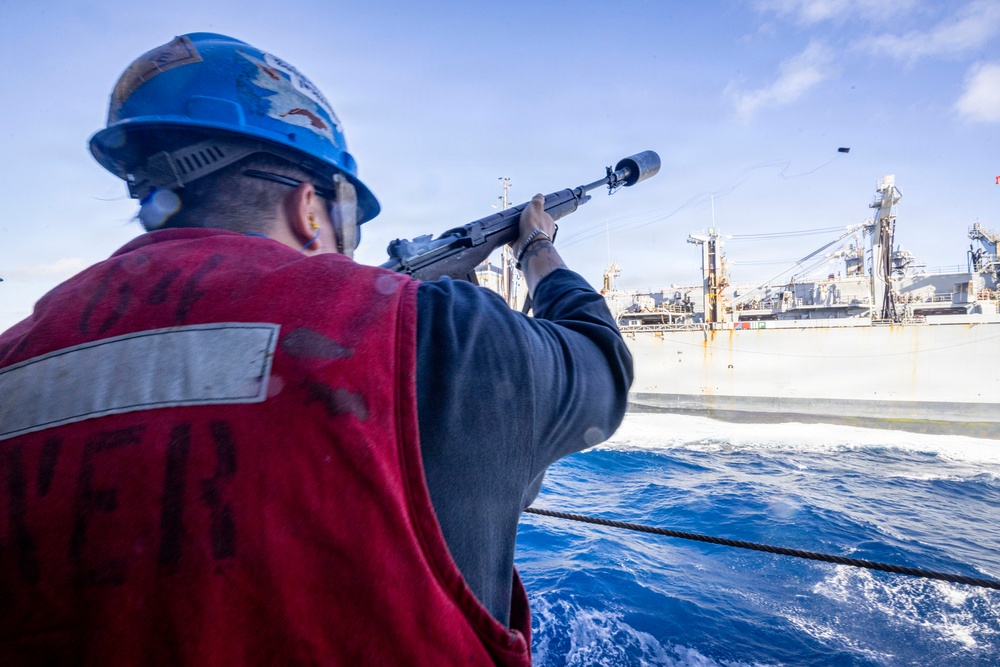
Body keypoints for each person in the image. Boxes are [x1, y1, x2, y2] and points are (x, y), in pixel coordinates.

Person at [0, 33, 632, 665]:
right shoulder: (429, 328)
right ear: (308, 207)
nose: (352, 250)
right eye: (348, 221)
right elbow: (601, 367)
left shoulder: (14, 358)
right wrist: (535, 247)